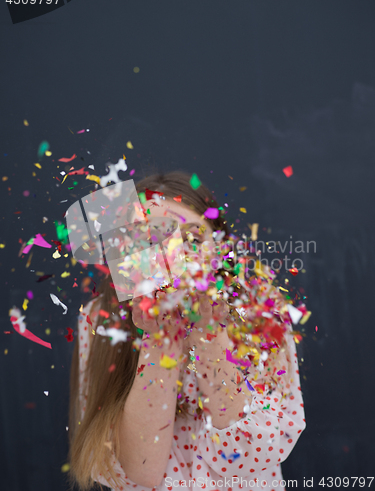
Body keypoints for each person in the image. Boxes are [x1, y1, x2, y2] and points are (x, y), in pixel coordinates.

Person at [67, 171, 306, 491]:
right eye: (153, 239)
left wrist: (210, 333)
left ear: (219, 249)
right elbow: (140, 473)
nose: (175, 254)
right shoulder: (99, 319)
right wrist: (160, 338)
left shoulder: (263, 311)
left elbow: (249, 458)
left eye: (193, 238)